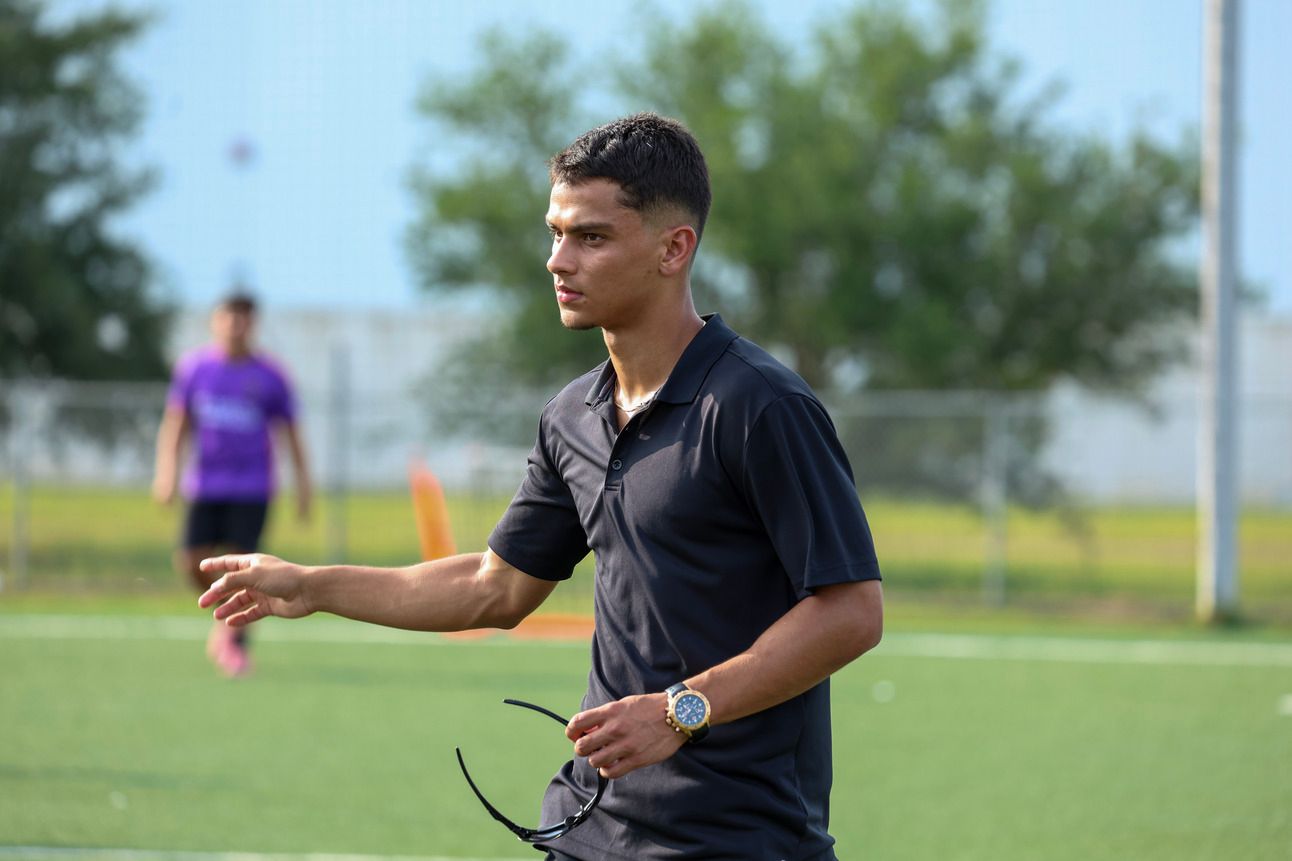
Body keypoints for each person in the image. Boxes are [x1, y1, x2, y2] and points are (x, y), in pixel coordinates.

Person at [198, 114, 882, 858]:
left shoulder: (759, 406)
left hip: (737, 839)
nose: (558, 260)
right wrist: (313, 586)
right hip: (590, 824)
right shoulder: (572, 416)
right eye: (555, 233)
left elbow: (851, 610)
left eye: (591, 237)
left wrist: (681, 710)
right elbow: (494, 588)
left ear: (673, 248)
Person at [153, 289, 312, 677]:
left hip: (251, 487)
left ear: (253, 324)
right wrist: (167, 472)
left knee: (244, 568)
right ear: (215, 321)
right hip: (206, 484)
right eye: (229, 316)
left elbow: (291, 433)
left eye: (244, 318)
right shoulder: (195, 369)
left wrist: (303, 486)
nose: (236, 325)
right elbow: (176, 424)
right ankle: (225, 618)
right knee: (191, 561)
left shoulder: (270, 376)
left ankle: (235, 643)